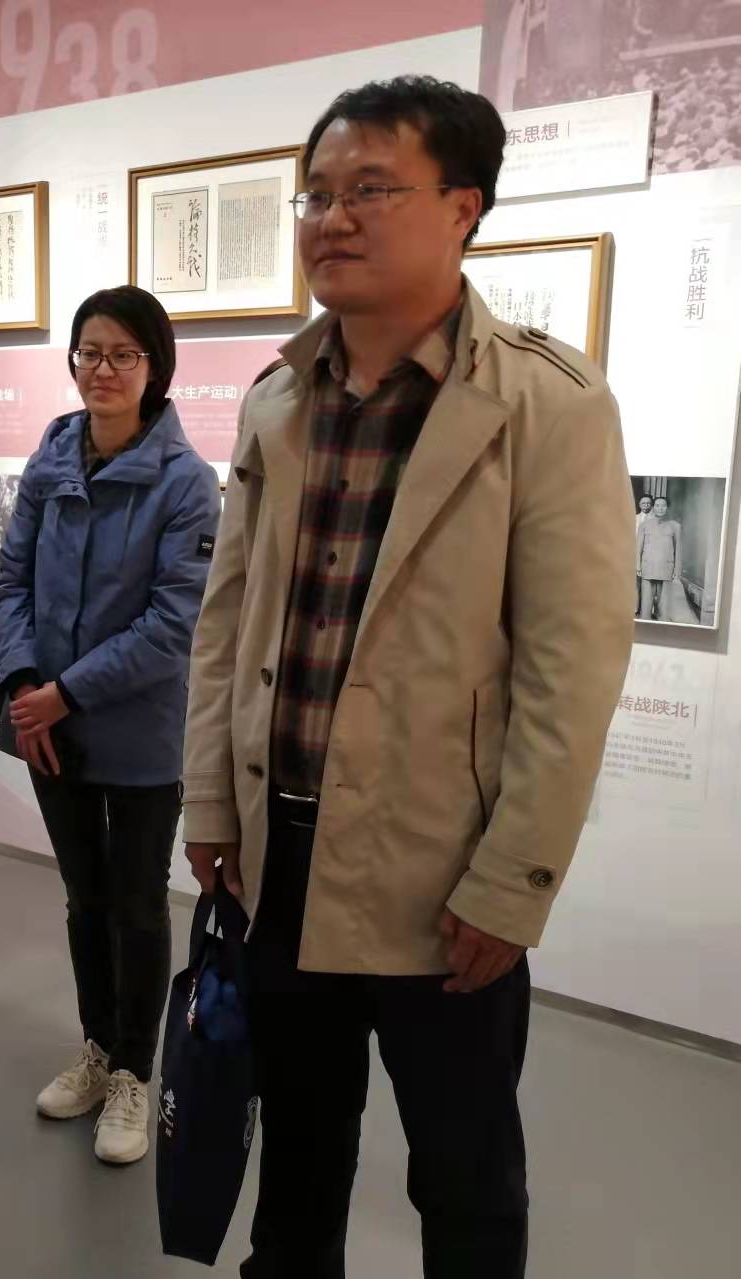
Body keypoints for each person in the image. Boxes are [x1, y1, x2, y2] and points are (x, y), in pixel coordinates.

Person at [181, 77, 634, 1277]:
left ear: (461, 208)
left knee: (463, 1170)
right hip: (279, 853)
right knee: (295, 1152)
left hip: (443, 874)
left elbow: (571, 664)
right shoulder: (278, 397)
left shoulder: (545, 404)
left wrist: (513, 881)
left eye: (371, 189)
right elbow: (225, 622)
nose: (331, 218)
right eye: (315, 194)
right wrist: (208, 801)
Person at [0, 285, 220, 1166]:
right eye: (90, 351)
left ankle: (133, 1070)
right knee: (84, 897)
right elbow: (10, 583)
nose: (103, 369)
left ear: (156, 367)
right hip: (47, 723)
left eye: (124, 354)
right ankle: (96, 1044)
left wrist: (65, 693)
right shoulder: (51, 460)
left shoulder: (186, 482)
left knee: (136, 901)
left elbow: (172, 623)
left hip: (139, 731)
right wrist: (22, 682)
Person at [637, 496, 682, 621]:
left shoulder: (675, 526)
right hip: (648, 568)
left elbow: (678, 550)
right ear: (653, 507)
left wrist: (677, 570)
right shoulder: (644, 525)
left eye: (663, 506)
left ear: (667, 508)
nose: (660, 508)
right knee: (646, 606)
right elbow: (638, 547)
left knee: (664, 607)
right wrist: (638, 566)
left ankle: (663, 624)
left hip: (666, 569)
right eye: (657, 505)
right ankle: (645, 625)